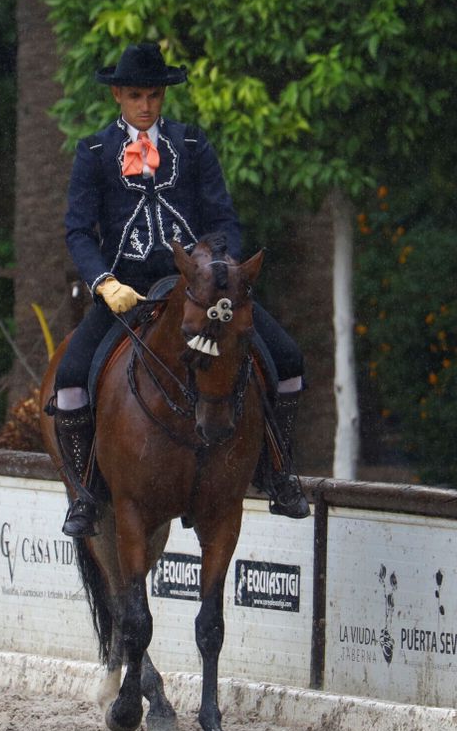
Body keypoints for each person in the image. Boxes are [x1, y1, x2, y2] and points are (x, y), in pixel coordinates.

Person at [47, 42, 310, 537]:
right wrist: (104, 281)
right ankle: (84, 493)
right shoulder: (96, 152)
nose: (145, 106)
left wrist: (215, 266)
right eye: (134, 96)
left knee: (287, 359)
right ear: (118, 98)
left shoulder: (191, 146)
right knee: (70, 377)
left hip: (199, 287)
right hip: (127, 290)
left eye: (153, 95)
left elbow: (223, 218)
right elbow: (79, 231)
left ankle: (278, 472)